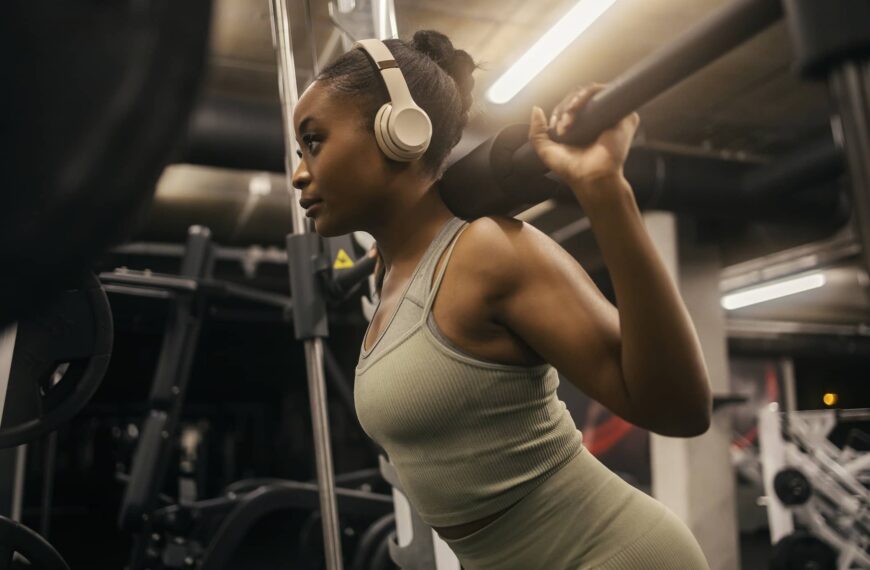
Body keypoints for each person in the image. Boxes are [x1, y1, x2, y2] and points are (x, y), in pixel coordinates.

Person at [291, 29, 712, 570]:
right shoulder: (392, 279)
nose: (299, 174)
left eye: (314, 141)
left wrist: (605, 189)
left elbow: (679, 408)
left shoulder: (486, 252)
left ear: (397, 131)